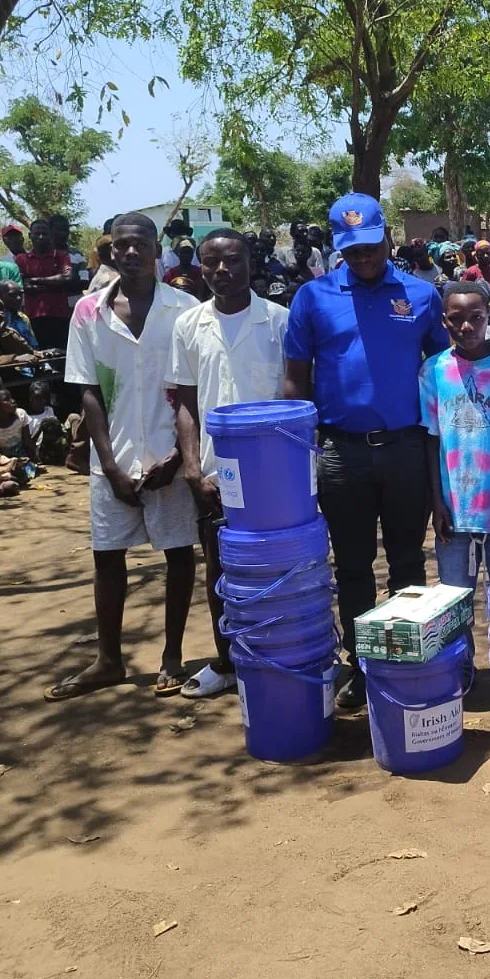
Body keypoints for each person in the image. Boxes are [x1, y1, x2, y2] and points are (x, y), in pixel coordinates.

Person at [283, 193, 448, 714]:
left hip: (404, 450)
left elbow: (446, 367)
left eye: (371, 246)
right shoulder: (312, 298)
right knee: (352, 567)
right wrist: (299, 457)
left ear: (388, 238)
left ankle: (405, 660)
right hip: (341, 454)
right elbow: (294, 384)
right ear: (339, 249)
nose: (364, 257)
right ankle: (361, 664)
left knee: (406, 562)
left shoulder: (421, 295)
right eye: (352, 251)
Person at [47, 213, 202, 702]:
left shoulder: (186, 309)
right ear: (109, 251)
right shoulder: (88, 312)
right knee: (107, 557)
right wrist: (109, 465)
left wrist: (180, 458)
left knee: (179, 554)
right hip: (112, 460)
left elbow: (195, 393)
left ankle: (173, 656)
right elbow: (88, 392)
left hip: (172, 458)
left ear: (156, 248)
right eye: (120, 246)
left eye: (139, 244)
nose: (130, 252)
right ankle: (108, 660)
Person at [169, 228, 290, 700]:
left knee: (279, 566)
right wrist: (192, 467)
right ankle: (227, 661)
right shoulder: (188, 325)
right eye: (211, 262)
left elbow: (297, 394)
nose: (222, 270)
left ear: (250, 264)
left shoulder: (279, 321)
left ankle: (279, 654)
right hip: (218, 474)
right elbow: (185, 401)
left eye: (232, 260)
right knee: (220, 568)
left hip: (277, 471)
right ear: (200, 268)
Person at [420, 282, 490, 594]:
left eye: (476, 317)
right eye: (456, 318)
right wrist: (436, 501)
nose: (466, 326)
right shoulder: (433, 371)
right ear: (444, 321)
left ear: (489, 317)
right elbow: (432, 438)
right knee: (454, 605)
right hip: (454, 511)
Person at [15, 220, 78, 351]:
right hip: (34, 317)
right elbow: (23, 285)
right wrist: (54, 283)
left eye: (44, 233)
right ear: (30, 235)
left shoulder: (61, 256)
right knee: (40, 355)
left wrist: (35, 280)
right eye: (37, 234)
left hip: (60, 315)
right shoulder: (21, 259)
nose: (41, 237)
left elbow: (67, 277)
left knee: (63, 354)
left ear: (50, 235)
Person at [0, 386, 38, 465]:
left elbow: (27, 442)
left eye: (11, 398)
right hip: (1, 463)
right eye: (7, 399)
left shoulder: (21, 415)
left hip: (22, 460)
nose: (13, 401)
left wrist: (35, 459)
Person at [0, 280, 41, 348]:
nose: (18, 298)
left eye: (20, 294)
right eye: (12, 295)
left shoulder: (23, 317)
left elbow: (33, 344)